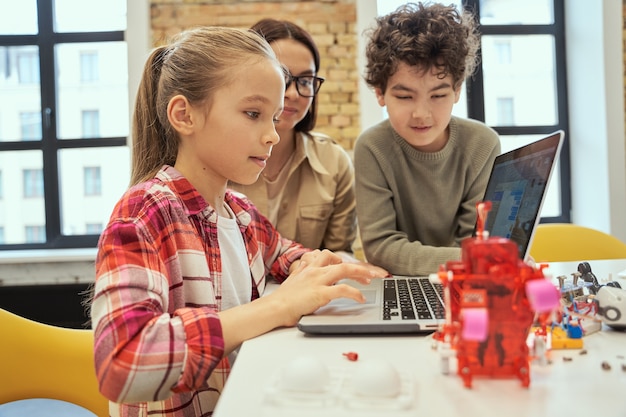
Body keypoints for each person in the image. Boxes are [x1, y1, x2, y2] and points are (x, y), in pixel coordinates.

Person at [90, 26, 380, 417]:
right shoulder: (144, 213)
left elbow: (285, 252)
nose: (272, 135)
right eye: (253, 114)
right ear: (184, 115)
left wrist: (309, 264)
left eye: (274, 118)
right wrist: (278, 307)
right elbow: (122, 365)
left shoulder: (239, 211)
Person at [354, 2, 502, 276]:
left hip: (464, 282)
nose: (422, 114)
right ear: (380, 94)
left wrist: (473, 260)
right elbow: (380, 247)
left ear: (457, 91)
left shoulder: (482, 144)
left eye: (438, 95)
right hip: (402, 285)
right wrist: (471, 259)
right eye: (404, 96)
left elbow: (475, 241)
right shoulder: (372, 148)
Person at [228, 18, 358, 257]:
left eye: (306, 81)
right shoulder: (216, 157)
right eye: (281, 77)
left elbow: (339, 252)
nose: (291, 93)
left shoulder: (333, 162)